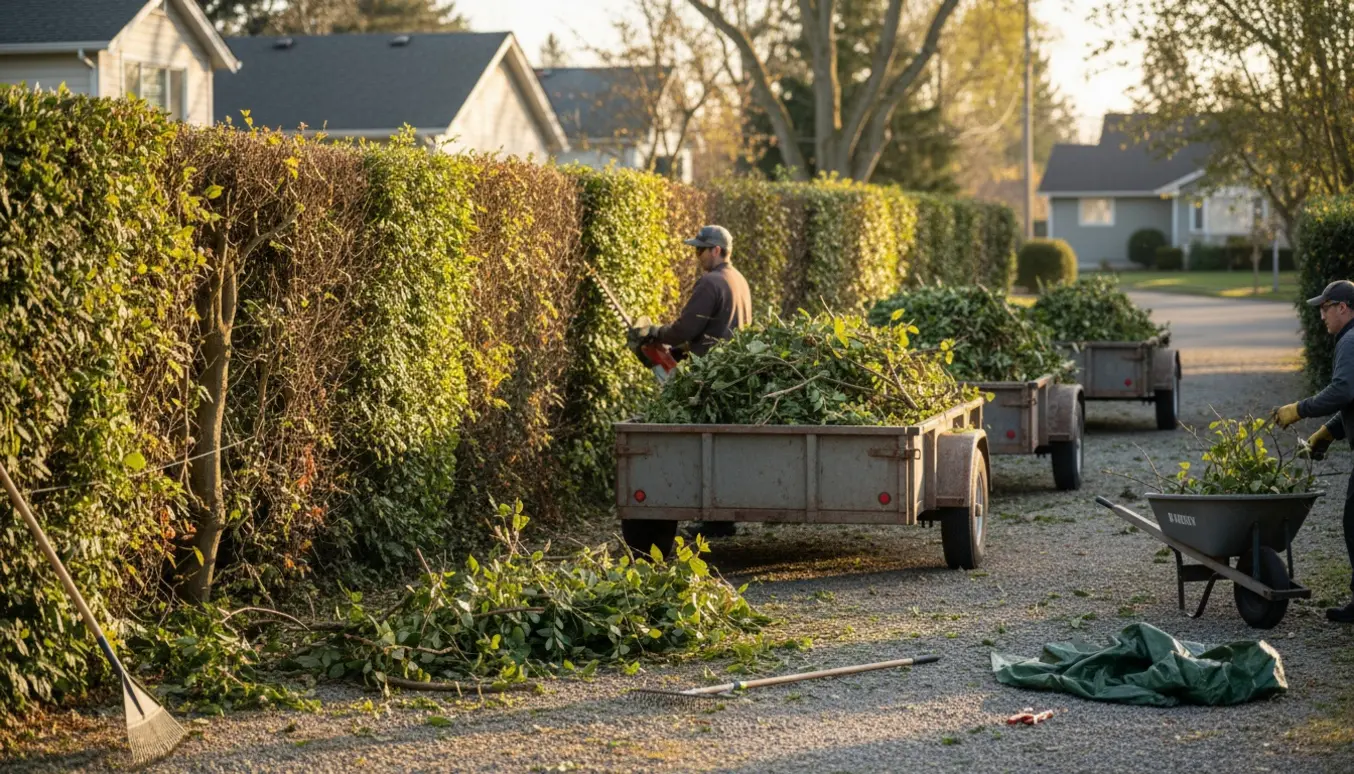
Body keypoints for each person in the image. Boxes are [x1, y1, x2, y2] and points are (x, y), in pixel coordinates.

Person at [632, 224, 752, 538]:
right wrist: (678, 352)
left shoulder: (711, 282)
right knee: (724, 449)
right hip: (733, 372)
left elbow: (687, 327)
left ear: (716, 250)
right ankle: (721, 520)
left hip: (709, 377)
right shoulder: (738, 280)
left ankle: (712, 515)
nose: (696, 255)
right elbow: (714, 329)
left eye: (700, 249)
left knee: (702, 448)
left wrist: (657, 334)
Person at [1273, 279, 1354, 623]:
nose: (1321, 315)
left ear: (1342, 308)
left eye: (1324, 307)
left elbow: (1343, 390)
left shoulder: (1350, 341)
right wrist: (1328, 433)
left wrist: (1300, 409)